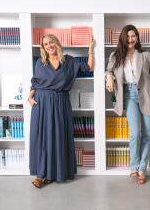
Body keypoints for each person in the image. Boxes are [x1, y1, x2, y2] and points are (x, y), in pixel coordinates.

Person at [28, 34, 95, 188]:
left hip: (60, 103)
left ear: (56, 43)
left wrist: (90, 50)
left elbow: (89, 67)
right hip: (42, 103)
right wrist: (29, 97)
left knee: (57, 137)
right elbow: (35, 82)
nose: (49, 45)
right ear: (43, 48)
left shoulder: (70, 61)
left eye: (51, 42)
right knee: (42, 139)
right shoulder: (40, 62)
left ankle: (53, 173)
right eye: (45, 44)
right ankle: (40, 174)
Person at [105, 24, 150, 184]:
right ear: (123, 38)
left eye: (133, 36)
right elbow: (108, 70)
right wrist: (109, 77)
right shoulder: (115, 56)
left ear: (137, 38)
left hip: (147, 95)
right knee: (135, 133)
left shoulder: (146, 56)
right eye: (128, 36)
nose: (131, 39)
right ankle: (133, 167)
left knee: (148, 134)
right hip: (128, 95)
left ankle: (142, 169)